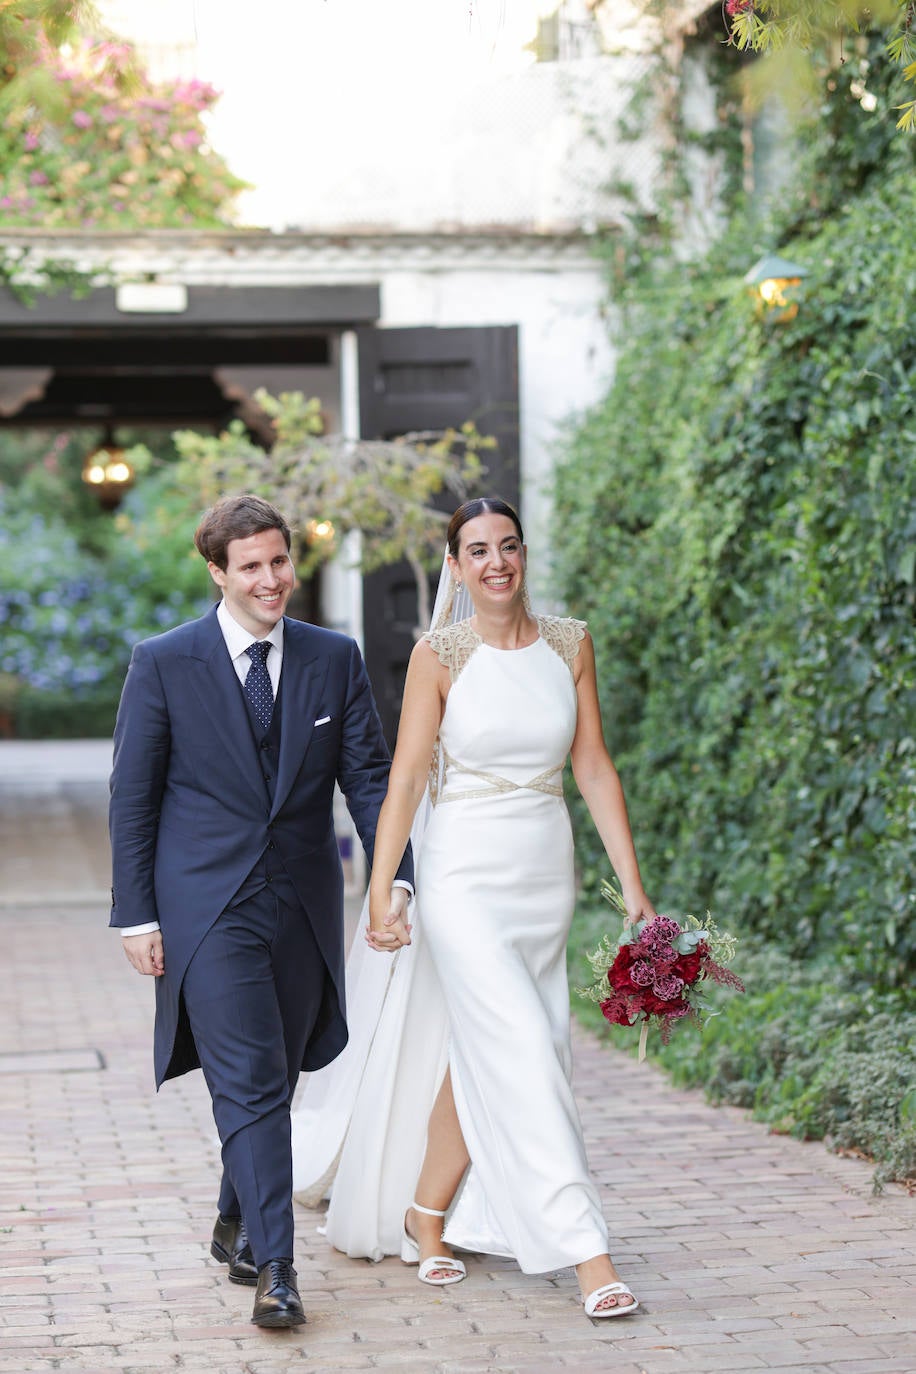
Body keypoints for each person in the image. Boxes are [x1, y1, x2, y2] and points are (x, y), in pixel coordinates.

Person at [293, 496, 653, 1319]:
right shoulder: (440, 654)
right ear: (455, 566)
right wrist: (383, 887)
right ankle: (587, 1252)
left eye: (509, 546)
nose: (496, 562)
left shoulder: (570, 642)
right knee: (526, 1044)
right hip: (463, 876)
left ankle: (427, 1214)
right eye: (477, 550)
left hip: (541, 873)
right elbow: (409, 778)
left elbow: (593, 766)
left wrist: (632, 886)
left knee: (492, 1048)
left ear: (524, 555)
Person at [109, 493, 413, 1329]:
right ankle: (278, 1269)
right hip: (206, 907)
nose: (272, 579)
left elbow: (371, 780)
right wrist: (136, 915)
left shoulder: (332, 656)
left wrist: (397, 878)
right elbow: (133, 797)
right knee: (245, 1076)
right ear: (218, 572)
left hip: (302, 901)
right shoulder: (165, 661)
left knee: (273, 1076)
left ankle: (235, 1218)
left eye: (280, 561)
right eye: (252, 566)